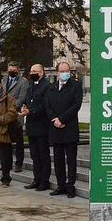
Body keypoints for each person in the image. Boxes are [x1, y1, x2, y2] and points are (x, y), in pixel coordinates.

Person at [45, 62, 83, 198]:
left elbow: (76, 105)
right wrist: (55, 119)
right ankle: (60, 185)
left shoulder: (76, 86)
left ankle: (70, 185)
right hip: (55, 128)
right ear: (57, 72)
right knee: (58, 159)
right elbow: (47, 105)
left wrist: (62, 119)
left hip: (69, 128)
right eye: (61, 71)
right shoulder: (51, 87)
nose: (64, 73)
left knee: (71, 159)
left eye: (66, 71)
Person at [20, 63, 51, 191]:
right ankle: (36, 179)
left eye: (35, 71)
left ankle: (45, 181)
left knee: (43, 155)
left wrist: (31, 111)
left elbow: (45, 105)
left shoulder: (47, 86)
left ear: (42, 72)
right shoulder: (30, 86)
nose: (32, 73)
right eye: (31, 71)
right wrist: (24, 108)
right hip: (32, 125)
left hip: (42, 126)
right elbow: (28, 101)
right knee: (34, 155)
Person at [1, 61, 28, 173]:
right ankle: (6, 163)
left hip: (16, 115)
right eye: (9, 69)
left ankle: (19, 163)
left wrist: (10, 108)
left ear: (18, 69)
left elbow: (21, 98)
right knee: (5, 140)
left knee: (18, 141)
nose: (11, 71)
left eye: (13, 69)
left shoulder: (23, 82)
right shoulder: (4, 80)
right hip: (3, 115)